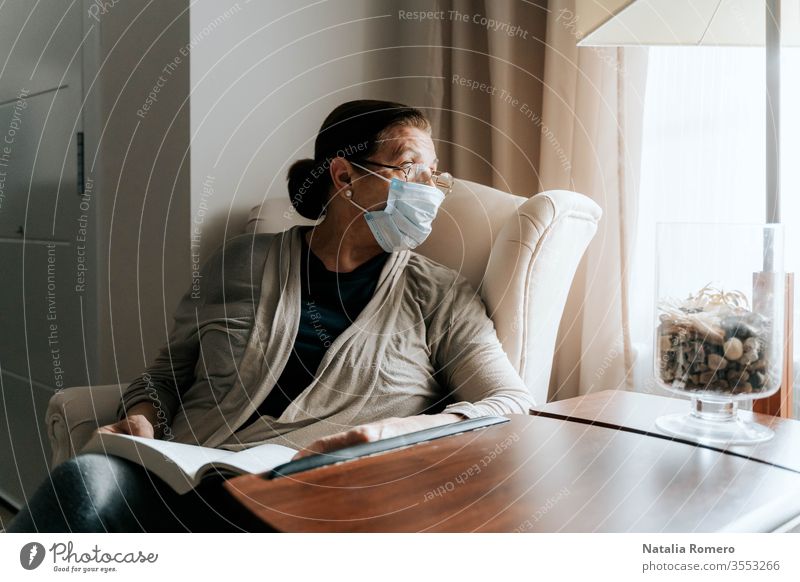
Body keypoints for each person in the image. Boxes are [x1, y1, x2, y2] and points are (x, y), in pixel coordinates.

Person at [7, 100, 535, 532]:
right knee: (82, 482)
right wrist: (146, 413)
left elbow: (511, 402)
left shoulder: (439, 294)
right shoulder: (241, 261)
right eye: (409, 167)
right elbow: (167, 374)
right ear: (346, 176)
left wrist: (392, 433)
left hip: (300, 499)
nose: (429, 188)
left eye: (434, 174)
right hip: (180, 476)